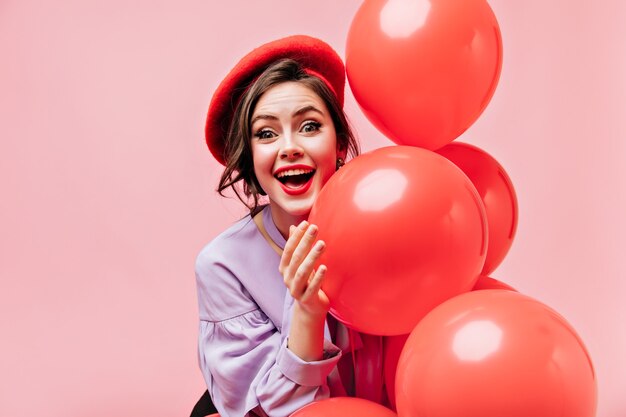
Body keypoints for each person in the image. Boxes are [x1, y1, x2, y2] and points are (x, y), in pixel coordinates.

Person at [195, 35, 385, 417]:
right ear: (250, 159)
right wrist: (307, 314)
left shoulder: (388, 225)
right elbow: (269, 410)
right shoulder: (222, 265)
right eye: (266, 133)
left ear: (341, 143)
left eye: (310, 126)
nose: (289, 147)